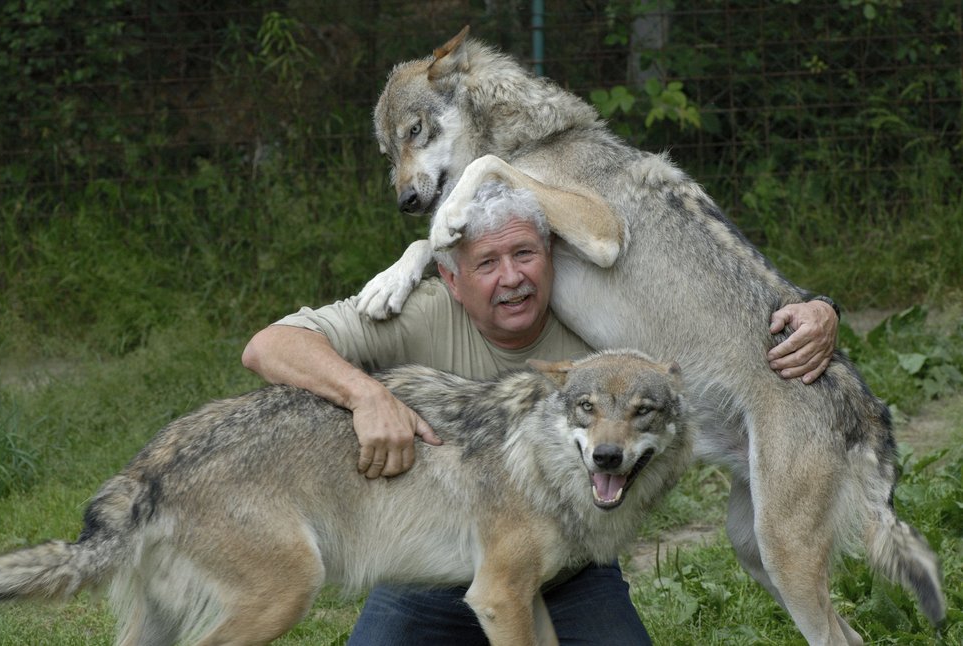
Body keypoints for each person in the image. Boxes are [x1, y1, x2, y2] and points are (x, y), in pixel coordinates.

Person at [242, 181, 839, 645]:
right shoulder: (416, 311)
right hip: (425, 572)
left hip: (568, 573)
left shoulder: (599, 321)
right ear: (449, 278)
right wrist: (367, 395)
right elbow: (268, 346)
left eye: (525, 253)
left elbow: (718, 311)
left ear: (551, 253)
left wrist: (817, 309)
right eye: (487, 264)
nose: (512, 278)